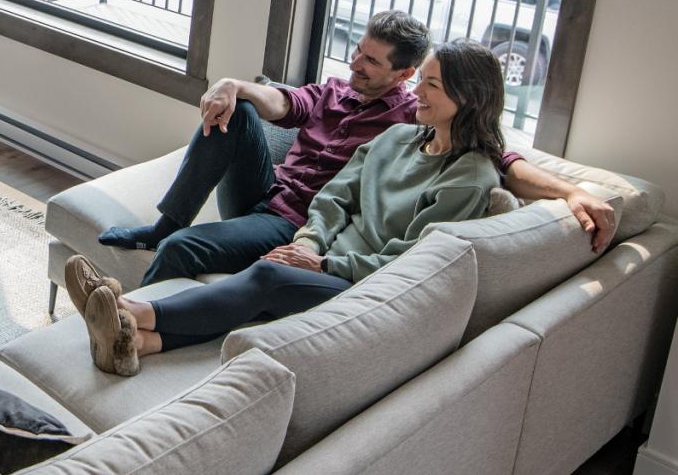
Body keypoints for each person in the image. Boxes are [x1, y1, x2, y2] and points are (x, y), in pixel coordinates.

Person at [71, 40, 506, 375]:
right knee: (261, 266)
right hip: (312, 246)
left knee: (268, 276)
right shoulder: (397, 139)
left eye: (431, 85)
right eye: (421, 82)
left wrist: (323, 263)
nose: (419, 94)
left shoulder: (469, 179)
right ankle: (135, 343)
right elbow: (336, 196)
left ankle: (128, 311)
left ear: (467, 98)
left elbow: (411, 261)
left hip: (362, 283)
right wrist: (310, 241)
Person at [95, 10, 615, 289]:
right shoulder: (333, 91)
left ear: (404, 74)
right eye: (359, 52)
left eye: (371, 61)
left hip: (294, 222)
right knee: (243, 111)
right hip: (264, 193)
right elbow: (283, 102)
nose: (356, 64)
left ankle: (134, 314)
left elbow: (500, 161)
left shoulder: (413, 116)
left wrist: (572, 193)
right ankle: (166, 222)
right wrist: (234, 84)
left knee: (188, 249)